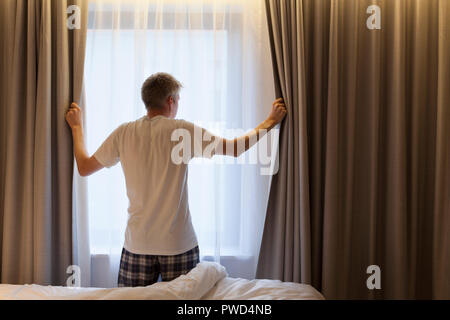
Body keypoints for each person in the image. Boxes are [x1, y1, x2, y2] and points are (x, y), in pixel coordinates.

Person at [65, 72, 286, 287]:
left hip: (138, 244)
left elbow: (84, 168)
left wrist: (76, 127)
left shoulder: (124, 133)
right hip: (178, 244)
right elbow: (235, 148)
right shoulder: (181, 130)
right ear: (170, 101)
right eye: (178, 100)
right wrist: (271, 120)